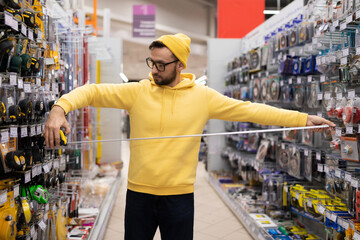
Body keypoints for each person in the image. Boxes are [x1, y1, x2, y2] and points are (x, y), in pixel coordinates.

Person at [43, 33, 335, 240]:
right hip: (139, 196)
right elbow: (92, 90)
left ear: (180, 66)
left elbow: (253, 110)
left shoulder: (203, 97)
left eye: (161, 65)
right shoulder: (137, 91)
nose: (154, 70)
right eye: (151, 62)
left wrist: (303, 119)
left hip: (179, 198)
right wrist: (59, 108)